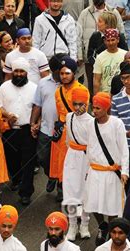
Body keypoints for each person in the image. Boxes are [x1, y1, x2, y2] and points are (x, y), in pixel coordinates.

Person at [84, 92, 129, 246]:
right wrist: (86, 170)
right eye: (93, 107)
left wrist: (124, 171)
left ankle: (111, 230)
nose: (94, 111)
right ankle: (102, 226)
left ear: (106, 108)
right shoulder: (90, 124)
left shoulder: (117, 124)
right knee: (92, 203)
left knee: (111, 206)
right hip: (95, 170)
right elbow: (89, 147)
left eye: (97, 108)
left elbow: (124, 149)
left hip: (111, 172)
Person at [0, 57, 37, 205]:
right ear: (12, 72)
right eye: (16, 71)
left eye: (22, 71)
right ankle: (16, 179)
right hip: (9, 129)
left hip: (27, 130)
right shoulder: (4, 87)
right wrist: (8, 115)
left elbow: (37, 108)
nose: (19, 74)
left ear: (26, 73)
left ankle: (26, 192)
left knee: (28, 162)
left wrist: (35, 124)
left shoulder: (34, 88)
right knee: (11, 159)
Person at [49, 56, 87, 202]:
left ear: (74, 73)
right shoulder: (58, 91)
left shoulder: (81, 90)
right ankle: (61, 188)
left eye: (67, 73)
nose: (64, 76)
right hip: (60, 131)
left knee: (73, 164)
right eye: (62, 73)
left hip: (74, 132)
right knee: (60, 162)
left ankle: (74, 194)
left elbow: (80, 113)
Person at [62, 88, 93, 240]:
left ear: (87, 104)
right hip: (72, 157)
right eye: (75, 104)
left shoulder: (92, 122)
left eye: (81, 104)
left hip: (87, 158)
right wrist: (72, 153)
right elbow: (68, 140)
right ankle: (72, 224)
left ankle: (85, 224)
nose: (77, 108)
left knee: (86, 191)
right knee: (70, 191)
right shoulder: (69, 117)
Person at [30, 54, 63, 195]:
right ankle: (51, 176)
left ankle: (62, 188)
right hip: (45, 128)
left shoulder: (68, 83)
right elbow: (37, 105)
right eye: (59, 70)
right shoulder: (43, 83)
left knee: (63, 160)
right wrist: (33, 123)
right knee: (43, 157)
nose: (62, 73)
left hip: (63, 131)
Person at [77, 0, 124, 87]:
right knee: (93, 85)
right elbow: (78, 35)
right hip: (90, 62)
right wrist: (80, 55)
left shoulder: (114, 12)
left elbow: (121, 32)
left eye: (100, 22)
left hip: (114, 66)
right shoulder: (85, 13)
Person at [87, 11, 128, 94]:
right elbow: (90, 55)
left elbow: (126, 56)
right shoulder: (95, 36)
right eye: (108, 40)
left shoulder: (120, 37)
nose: (97, 23)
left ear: (107, 24)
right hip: (100, 72)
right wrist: (98, 64)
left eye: (100, 21)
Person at [93, 28, 127, 93]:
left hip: (123, 94)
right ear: (105, 41)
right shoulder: (100, 57)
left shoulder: (125, 55)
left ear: (118, 40)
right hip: (105, 95)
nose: (111, 43)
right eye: (108, 40)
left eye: (113, 40)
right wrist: (96, 98)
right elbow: (96, 80)